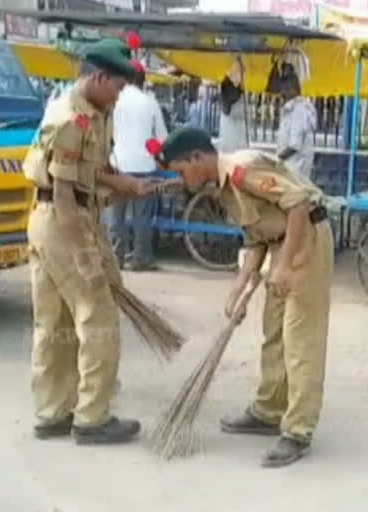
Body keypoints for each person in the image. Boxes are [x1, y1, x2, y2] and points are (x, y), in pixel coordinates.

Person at [152, 127, 333, 468]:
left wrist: (285, 266)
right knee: (273, 332)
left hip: (306, 236)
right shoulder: (221, 189)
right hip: (280, 242)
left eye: (180, 170)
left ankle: (298, 430)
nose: (181, 179)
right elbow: (255, 237)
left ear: (197, 157)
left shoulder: (242, 169)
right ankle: (268, 410)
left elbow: (297, 203)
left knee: (300, 337)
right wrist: (240, 287)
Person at [23, 39, 154, 445]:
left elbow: (92, 170)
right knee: (98, 317)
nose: (119, 96)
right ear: (98, 77)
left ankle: (53, 412)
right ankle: (92, 418)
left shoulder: (96, 113)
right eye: (116, 86)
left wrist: (125, 185)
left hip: (60, 219)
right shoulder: (69, 119)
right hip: (65, 222)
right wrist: (85, 256)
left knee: (55, 323)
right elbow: (63, 193)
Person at [106, 61, 168, 271]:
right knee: (142, 216)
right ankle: (141, 257)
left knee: (117, 215)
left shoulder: (115, 100)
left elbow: (107, 132)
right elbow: (162, 137)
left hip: (119, 164)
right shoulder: (150, 102)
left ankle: (117, 256)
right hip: (144, 166)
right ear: (143, 80)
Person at [276, 73, 317, 180]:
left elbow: (294, 145)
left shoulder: (299, 111)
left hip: (296, 168)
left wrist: (275, 159)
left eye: (284, 89)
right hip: (291, 168)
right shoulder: (292, 109)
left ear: (292, 89)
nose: (282, 93)